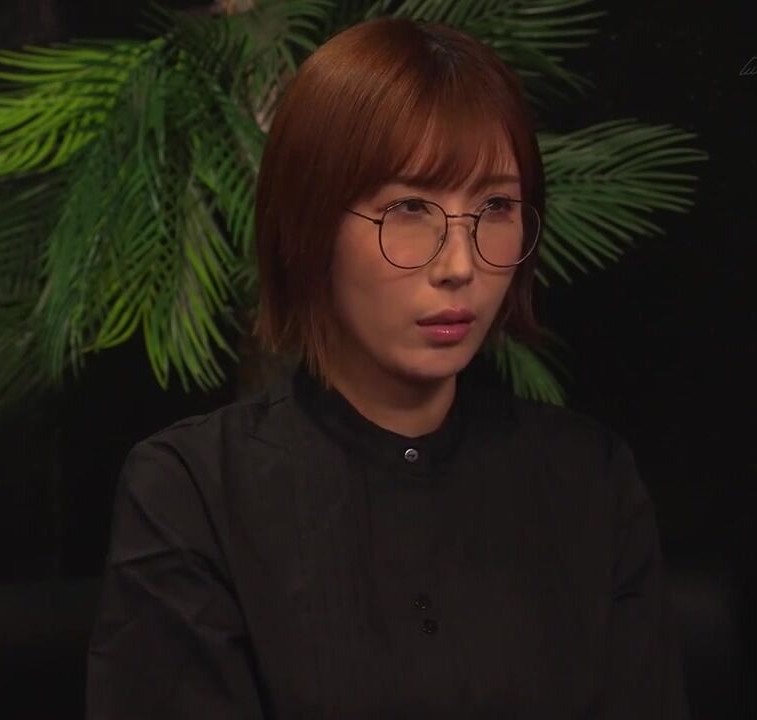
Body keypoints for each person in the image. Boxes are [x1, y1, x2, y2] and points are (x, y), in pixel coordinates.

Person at [86, 15, 690, 719]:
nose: (459, 265)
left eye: (495, 206)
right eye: (409, 208)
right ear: (309, 225)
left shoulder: (589, 480)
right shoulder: (193, 491)